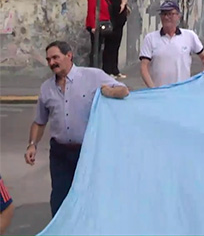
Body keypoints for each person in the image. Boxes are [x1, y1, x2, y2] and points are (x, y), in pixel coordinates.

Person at [25, 41, 129, 217]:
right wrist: (32, 144)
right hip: (60, 154)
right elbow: (39, 122)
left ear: (69, 56)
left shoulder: (92, 76)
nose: (51, 63)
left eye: (55, 57)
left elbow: (124, 90)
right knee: (60, 199)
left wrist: (109, 93)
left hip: (88, 152)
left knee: (90, 198)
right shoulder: (46, 88)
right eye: (48, 59)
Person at [139, 0, 204, 88]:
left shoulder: (189, 35)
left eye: (170, 14)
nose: (166, 17)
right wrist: (153, 88)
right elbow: (144, 66)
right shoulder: (150, 38)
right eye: (164, 14)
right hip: (160, 92)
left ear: (178, 16)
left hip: (183, 91)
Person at [104, 0, 129, 78]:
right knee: (109, 48)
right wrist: (123, 4)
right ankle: (108, 70)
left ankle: (115, 70)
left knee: (116, 48)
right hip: (113, 26)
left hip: (119, 26)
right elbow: (117, 10)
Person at [85, 0, 111, 68]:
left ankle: (97, 67)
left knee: (99, 48)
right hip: (96, 24)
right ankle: (93, 67)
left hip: (103, 24)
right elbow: (91, 11)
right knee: (96, 48)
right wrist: (93, 26)